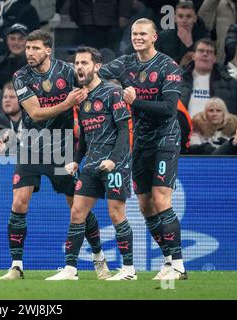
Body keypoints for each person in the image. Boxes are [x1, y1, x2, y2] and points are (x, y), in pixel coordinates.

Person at [0, 30, 110, 281]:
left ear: (48, 50)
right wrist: (68, 103)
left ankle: (98, 257)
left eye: (36, 48)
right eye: (28, 48)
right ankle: (16, 266)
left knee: (77, 206)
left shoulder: (68, 71)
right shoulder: (20, 77)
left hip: (62, 148)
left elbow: (94, 84)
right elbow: (36, 114)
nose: (30, 53)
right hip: (31, 145)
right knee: (19, 202)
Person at [98, 18, 187, 280]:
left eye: (143, 34)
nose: (138, 37)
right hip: (140, 142)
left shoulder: (168, 66)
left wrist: (135, 102)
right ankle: (169, 261)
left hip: (165, 140)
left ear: (154, 37)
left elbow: (169, 109)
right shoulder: (125, 63)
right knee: (146, 205)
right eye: (135, 33)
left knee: (161, 199)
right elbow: (96, 75)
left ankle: (179, 266)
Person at [45, 47, 134, 281]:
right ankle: (71, 269)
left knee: (116, 214)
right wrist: (76, 161)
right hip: (91, 165)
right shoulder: (81, 98)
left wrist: (114, 160)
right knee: (77, 212)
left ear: (97, 66)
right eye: (76, 63)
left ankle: (128, 270)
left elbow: (124, 129)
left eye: (85, 63)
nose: (80, 67)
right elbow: (84, 135)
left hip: (116, 164)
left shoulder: (112, 92)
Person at [180, 38, 237, 121]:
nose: (205, 54)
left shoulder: (231, 84)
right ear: (194, 56)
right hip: (186, 132)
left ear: (214, 58)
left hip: (220, 133)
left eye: (209, 52)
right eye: (201, 51)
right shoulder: (177, 81)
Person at [0, 23, 28, 90]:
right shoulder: (0, 62)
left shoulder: (35, 64)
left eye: (20, 39)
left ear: (27, 41)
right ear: (7, 41)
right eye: (12, 38)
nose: (16, 43)